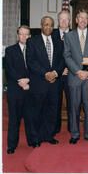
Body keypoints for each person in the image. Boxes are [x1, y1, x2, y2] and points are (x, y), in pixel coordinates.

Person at [63, 9, 88, 144]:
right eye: (80, 18)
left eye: (86, 18)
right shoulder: (69, 36)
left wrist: (86, 71)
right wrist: (78, 71)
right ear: (76, 20)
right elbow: (67, 56)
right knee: (73, 107)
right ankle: (74, 134)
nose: (83, 20)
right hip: (74, 77)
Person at [26, 16, 65, 146]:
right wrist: (45, 74)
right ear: (41, 26)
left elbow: (62, 61)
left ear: (53, 27)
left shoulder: (59, 42)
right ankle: (35, 139)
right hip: (39, 83)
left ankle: (48, 135)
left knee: (52, 111)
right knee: (37, 112)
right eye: (46, 24)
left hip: (54, 83)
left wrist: (55, 73)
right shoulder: (32, 41)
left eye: (51, 25)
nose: (48, 27)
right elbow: (31, 62)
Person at [5, 25, 32, 154]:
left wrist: (28, 80)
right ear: (17, 35)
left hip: (30, 88)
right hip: (15, 90)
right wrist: (21, 81)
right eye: (21, 34)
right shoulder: (10, 50)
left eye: (26, 34)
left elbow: (36, 68)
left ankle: (32, 141)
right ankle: (11, 145)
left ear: (30, 36)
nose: (24, 36)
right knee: (14, 119)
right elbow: (9, 70)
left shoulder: (34, 50)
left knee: (31, 118)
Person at [52, 11, 72, 134]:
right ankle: (55, 128)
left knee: (72, 103)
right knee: (56, 102)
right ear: (58, 21)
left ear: (69, 22)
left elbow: (77, 55)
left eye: (66, 19)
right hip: (57, 75)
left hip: (70, 74)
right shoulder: (52, 34)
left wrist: (69, 68)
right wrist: (59, 71)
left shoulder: (75, 34)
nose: (64, 22)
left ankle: (72, 128)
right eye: (61, 19)